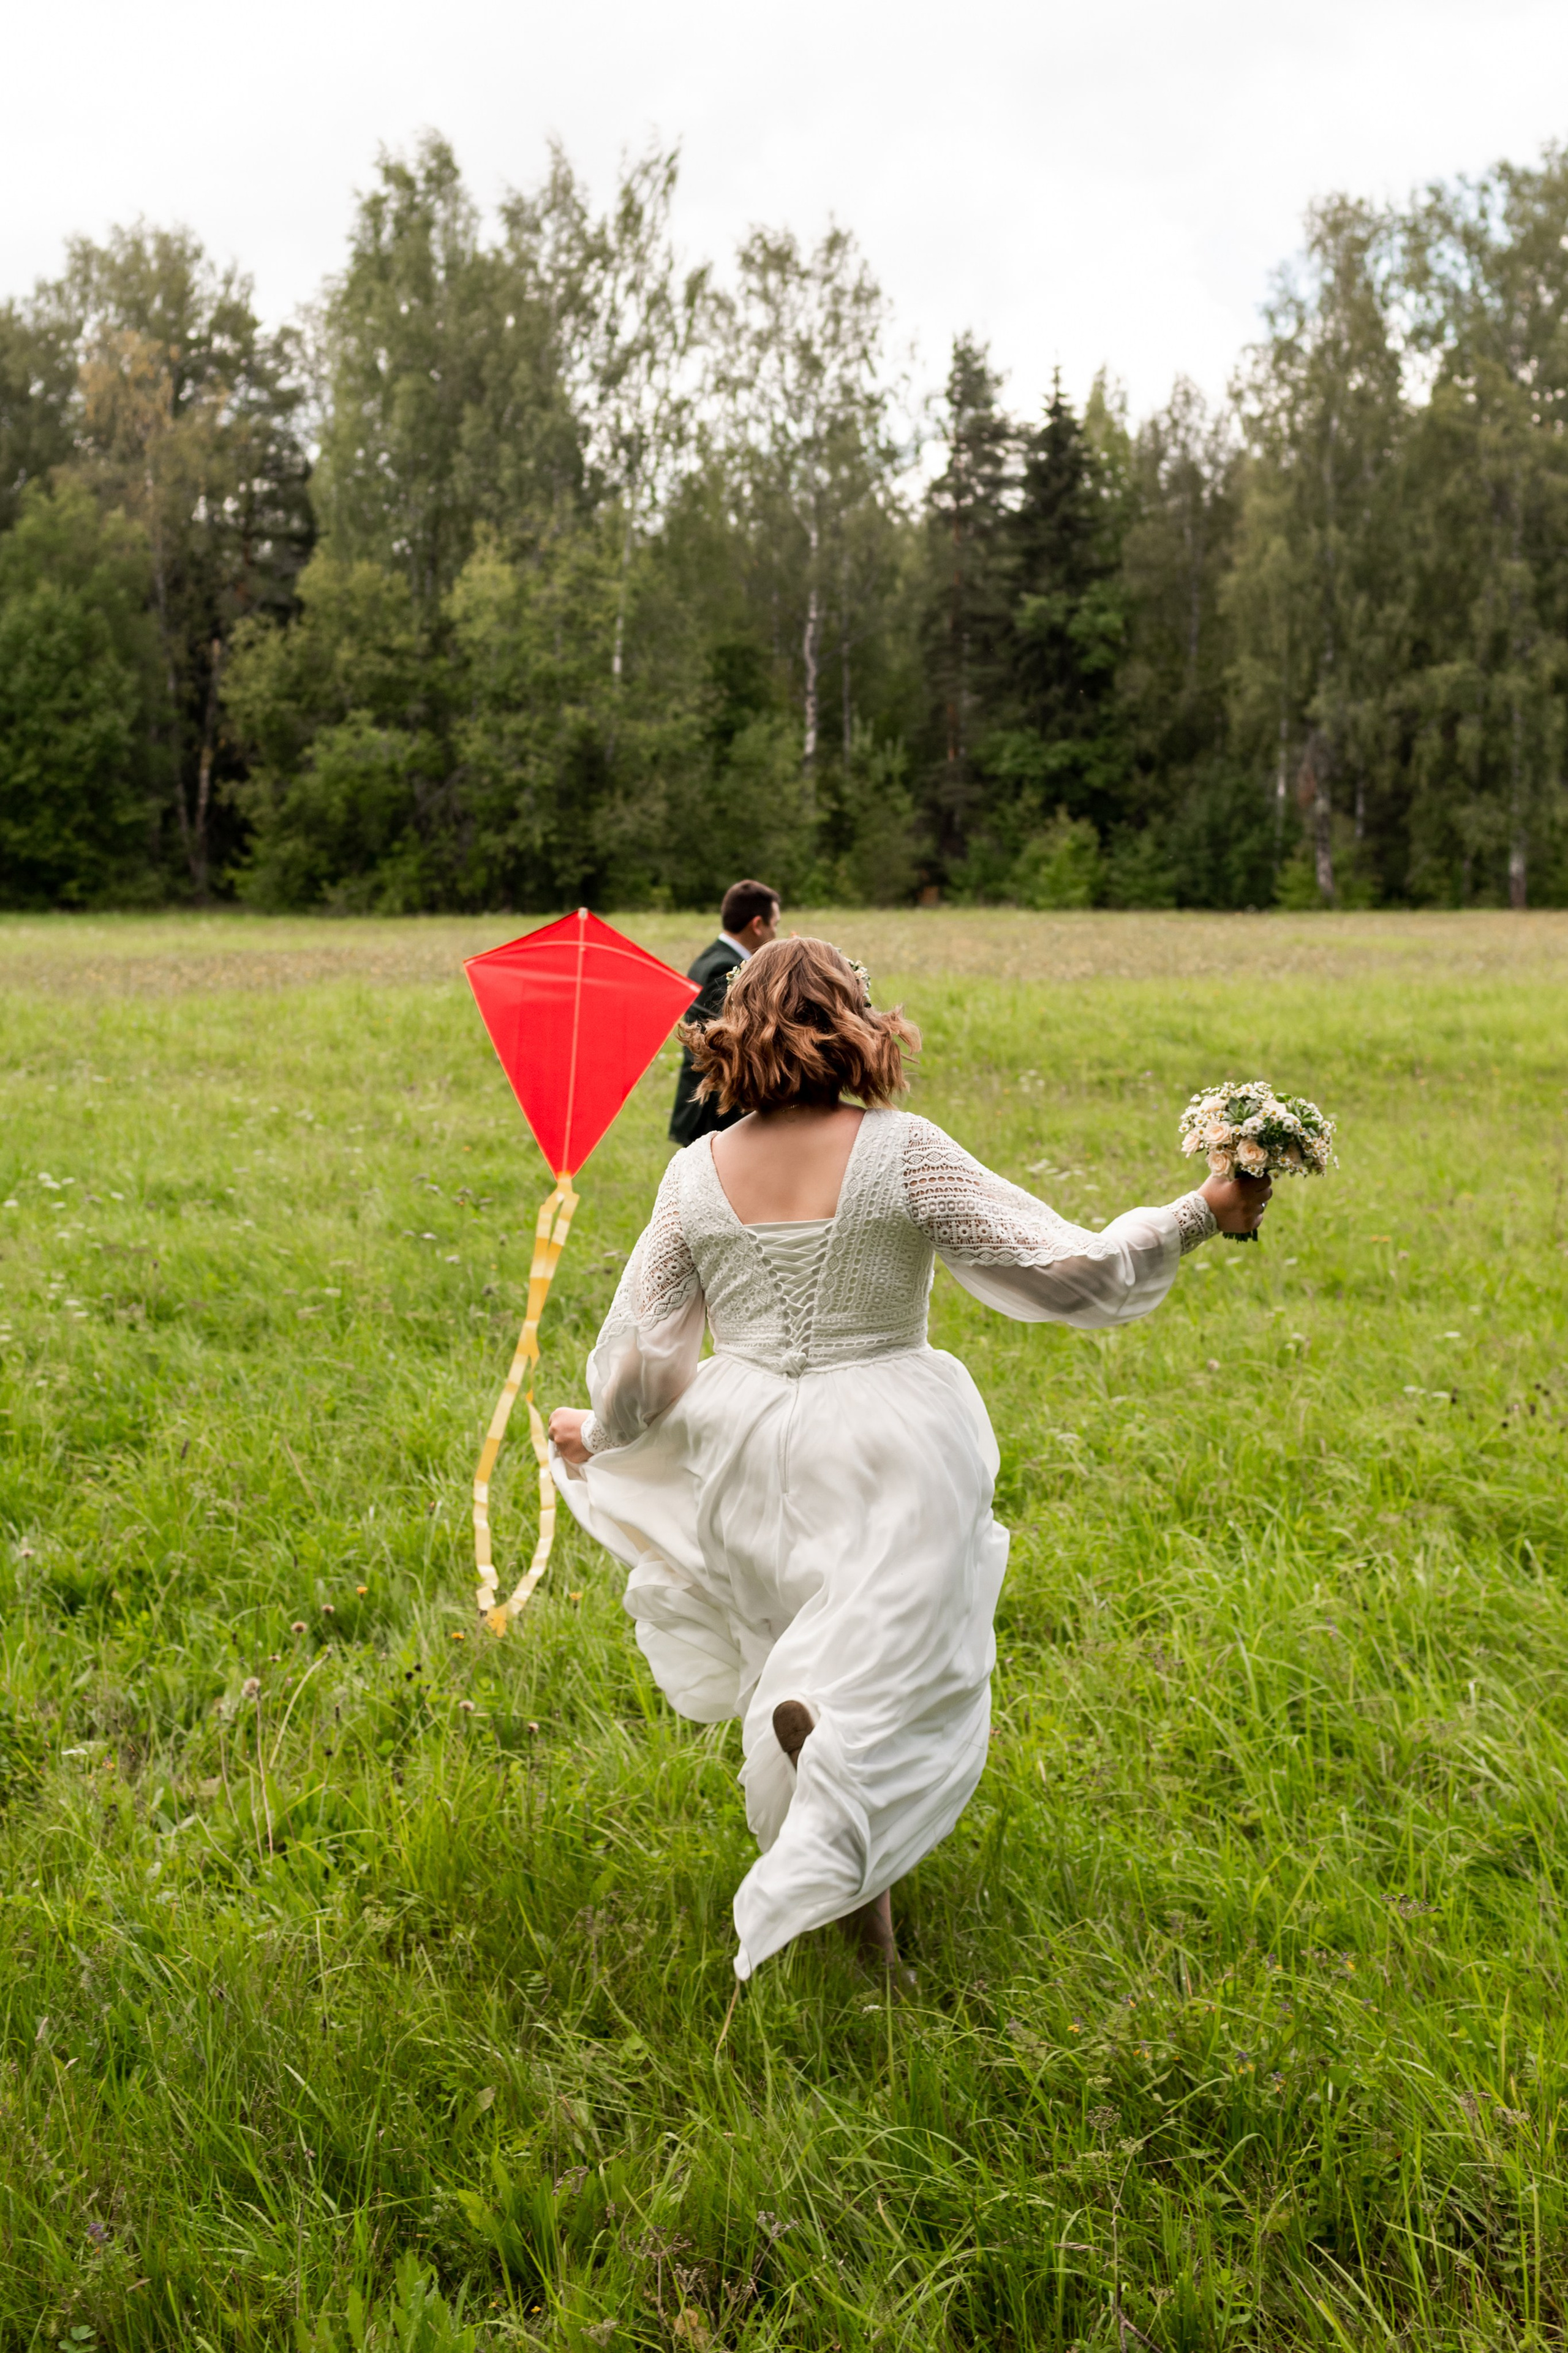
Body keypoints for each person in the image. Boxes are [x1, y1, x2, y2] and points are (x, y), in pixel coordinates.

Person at [549, 939, 1268, 1986]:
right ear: (856, 1025)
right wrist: (1201, 1210)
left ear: (735, 1030)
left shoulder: (692, 1176)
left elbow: (644, 1360)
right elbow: (1063, 1265)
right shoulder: (901, 1150)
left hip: (744, 1447)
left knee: (804, 1654)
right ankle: (847, 1820)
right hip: (890, 1438)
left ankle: (833, 1821)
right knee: (905, 1672)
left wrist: (593, 1432)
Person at [667, 880, 781, 1147]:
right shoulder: (723, 969)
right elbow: (736, 1038)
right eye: (774, 924)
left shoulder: (713, 957)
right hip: (715, 1112)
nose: (776, 933)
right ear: (757, 925)